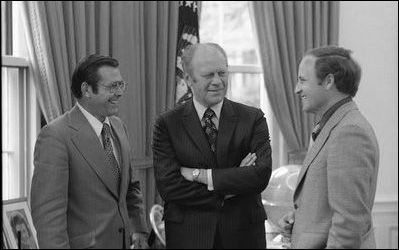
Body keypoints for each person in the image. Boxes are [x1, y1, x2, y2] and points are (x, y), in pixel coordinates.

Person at [152, 43, 272, 249]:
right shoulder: (167, 124)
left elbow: (259, 175)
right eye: (209, 75)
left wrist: (199, 176)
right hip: (189, 236)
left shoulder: (252, 118)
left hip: (243, 235)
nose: (218, 81)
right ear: (188, 79)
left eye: (222, 73)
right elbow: (170, 188)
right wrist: (233, 184)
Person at [31, 54, 149, 249]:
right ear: (86, 89)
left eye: (121, 85)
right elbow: (48, 216)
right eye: (112, 87)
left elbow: (130, 187)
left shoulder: (119, 126)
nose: (119, 93)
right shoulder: (55, 136)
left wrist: (139, 230)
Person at [278, 46, 379, 249]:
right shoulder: (332, 126)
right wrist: (300, 218)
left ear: (329, 81)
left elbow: (348, 225)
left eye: (302, 80)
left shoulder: (349, 132)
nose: (296, 89)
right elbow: (329, 204)